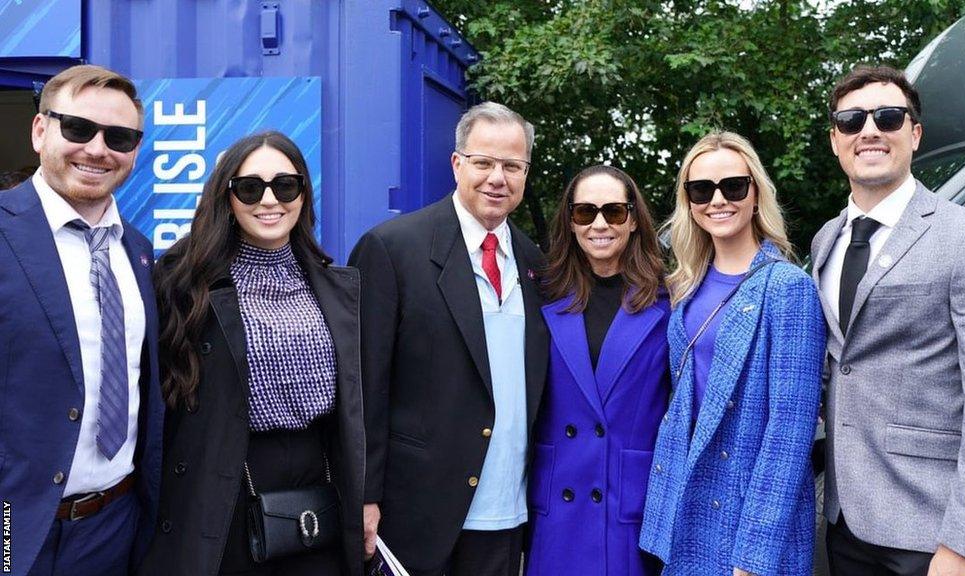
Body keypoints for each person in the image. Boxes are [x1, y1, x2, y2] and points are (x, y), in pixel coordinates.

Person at [811, 65, 965, 576]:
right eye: (851, 120)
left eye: (888, 116)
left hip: (933, 534)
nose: (869, 130)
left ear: (914, 132)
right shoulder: (826, 240)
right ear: (836, 140)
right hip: (844, 524)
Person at [139, 131, 365, 576]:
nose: (269, 200)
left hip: (318, 484)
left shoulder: (337, 286)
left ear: (302, 193)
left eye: (285, 185)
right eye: (249, 187)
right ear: (227, 196)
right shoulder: (183, 283)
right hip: (221, 484)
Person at [348, 101, 549, 576]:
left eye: (512, 166)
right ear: (457, 163)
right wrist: (363, 496)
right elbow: (363, 385)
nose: (497, 177)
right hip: (415, 513)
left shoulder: (536, 261)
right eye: (483, 162)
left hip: (507, 514)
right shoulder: (393, 249)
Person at [0, 64, 163, 576]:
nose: (97, 149)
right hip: (11, 523)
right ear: (40, 130)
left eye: (119, 136)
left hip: (113, 527)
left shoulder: (139, 253)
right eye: (78, 128)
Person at [640, 131, 825, 575]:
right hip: (688, 502)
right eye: (701, 189)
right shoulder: (685, 287)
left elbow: (789, 436)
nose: (717, 200)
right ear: (688, 201)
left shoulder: (787, 288)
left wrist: (753, 560)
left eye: (733, 186)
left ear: (756, 193)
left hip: (747, 514)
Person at [524, 165, 668, 576]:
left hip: (627, 503)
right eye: (586, 212)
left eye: (614, 212)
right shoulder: (542, 297)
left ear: (634, 220)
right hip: (558, 503)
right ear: (570, 222)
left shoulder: (669, 302)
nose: (600, 224)